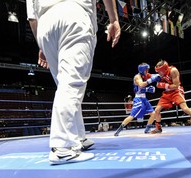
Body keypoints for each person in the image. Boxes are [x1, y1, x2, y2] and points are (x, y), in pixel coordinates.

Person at [26, 0, 121, 164]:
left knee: (65, 84)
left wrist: (41, 45)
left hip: (45, 24)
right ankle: (63, 147)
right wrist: (113, 20)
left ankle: (78, 137)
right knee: (71, 84)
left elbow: (32, 18)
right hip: (74, 14)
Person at [151, 59, 191, 133]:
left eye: (159, 71)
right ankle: (158, 128)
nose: (159, 73)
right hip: (167, 93)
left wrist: (163, 85)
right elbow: (149, 77)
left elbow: (176, 85)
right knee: (157, 110)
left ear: (164, 68)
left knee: (185, 109)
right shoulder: (160, 74)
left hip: (176, 91)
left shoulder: (173, 71)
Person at [114, 63, 161, 136]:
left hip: (144, 99)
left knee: (153, 114)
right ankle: (119, 129)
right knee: (132, 116)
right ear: (142, 70)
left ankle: (147, 129)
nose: (147, 71)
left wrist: (157, 77)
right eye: (146, 69)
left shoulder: (144, 76)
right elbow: (141, 84)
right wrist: (150, 82)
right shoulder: (137, 77)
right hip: (138, 99)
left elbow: (152, 77)